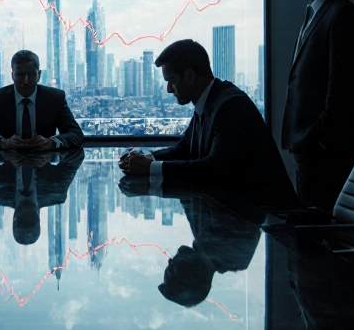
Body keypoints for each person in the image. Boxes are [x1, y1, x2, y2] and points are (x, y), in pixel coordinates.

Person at [118, 39, 296, 206]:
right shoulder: (211, 101)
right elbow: (184, 148)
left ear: (189, 76)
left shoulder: (231, 106)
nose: (169, 89)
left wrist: (151, 167)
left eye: (172, 80)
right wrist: (148, 158)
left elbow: (215, 169)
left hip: (272, 221)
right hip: (247, 213)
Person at [282, 0, 354, 210]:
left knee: (321, 223)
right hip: (308, 144)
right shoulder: (317, 13)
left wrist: (319, 136)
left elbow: (342, 84)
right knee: (310, 218)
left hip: (323, 146)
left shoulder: (342, 13)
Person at [0, 50, 84, 152]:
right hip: (6, 167)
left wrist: (51, 143)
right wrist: (2, 143)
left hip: (45, 167)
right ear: (12, 75)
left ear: (39, 75)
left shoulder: (54, 98)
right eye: (20, 75)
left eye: (31, 74)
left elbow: (76, 134)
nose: (25, 81)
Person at [0, 147, 84, 245]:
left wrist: (0, 154)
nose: (27, 216)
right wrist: (52, 153)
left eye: (24, 221)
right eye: (30, 222)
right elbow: (77, 156)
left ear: (15, 220)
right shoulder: (56, 192)